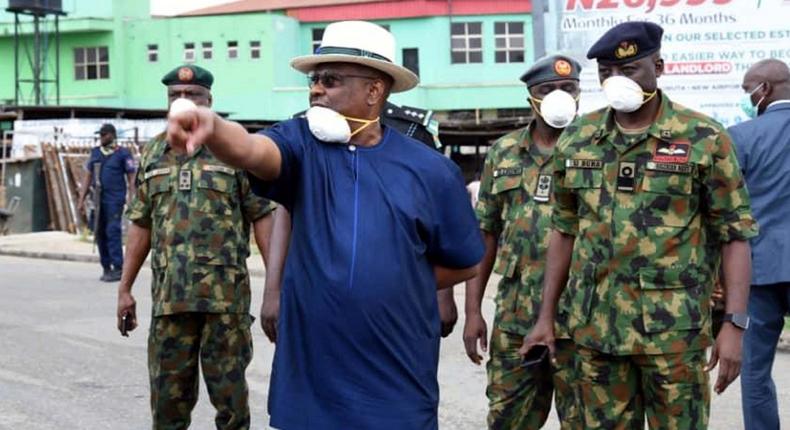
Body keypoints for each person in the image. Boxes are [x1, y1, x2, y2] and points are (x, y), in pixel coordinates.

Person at [166, 21, 484, 429]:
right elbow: (251, 149)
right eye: (314, 80)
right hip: (311, 388)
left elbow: (465, 261)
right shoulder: (300, 144)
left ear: (375, 91)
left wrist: (400, 282)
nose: (316, 89)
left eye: (330, 80)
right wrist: (212, 127)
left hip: (396, 387)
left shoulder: (432, 170)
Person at [521, 22, 758, 429]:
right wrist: (546, 317)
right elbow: (563, 230)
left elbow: (734, 235)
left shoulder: (702, 137)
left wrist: (734, 324)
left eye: (628, 70)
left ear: (659, 67)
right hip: (596, 334)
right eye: (607, 72)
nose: (617, 81)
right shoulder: (578, 138)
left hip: (674, 338)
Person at [115, 64, 276, 430]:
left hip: (225, 303)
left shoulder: (233, 151)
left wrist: (274, 289)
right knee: (167, 407)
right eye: (176, 96)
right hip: (170, 301)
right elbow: (141, 222)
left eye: (193, 96)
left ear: (209, 101)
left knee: (231, 407)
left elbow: (263, 216)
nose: (184, 102)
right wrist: (124, 288)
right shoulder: (154, 153)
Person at [261, 102, 459, 343]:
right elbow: (286, 211)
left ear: (374, 86)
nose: (319, 88)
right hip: (318, 294)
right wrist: (272, 292)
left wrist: (443, 295)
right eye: (316, 79)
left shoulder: (410, 130)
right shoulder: (303, 130)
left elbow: (437, 216)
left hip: (397, 300)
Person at [464, 55, 582, 429]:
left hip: (585, 317)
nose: (559, 97)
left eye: (568, 89)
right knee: (508, 419)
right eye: (548, 90)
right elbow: (485, 233)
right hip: (517, 316)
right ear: (531, 97)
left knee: (587, 421)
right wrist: (472, 312)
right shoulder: (504, 152)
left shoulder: (598, 150)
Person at [728, 58, 790, 430]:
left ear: (763, 90)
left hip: (758, 271)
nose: (747, 97)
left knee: (754, 372)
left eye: (747, 89)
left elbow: (728, 211)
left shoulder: (742, 136)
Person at [77, 123, 136, 282]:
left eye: (103, 135)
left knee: (112, 231)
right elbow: (88, 177)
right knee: (99, 232)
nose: (101, 138)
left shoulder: (123, 153)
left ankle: (118, 267)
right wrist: (81, 200)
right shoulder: (96, 153)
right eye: (100, 135)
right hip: (98, 200)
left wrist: (132, 198)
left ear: (111, 135)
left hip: (114, 199)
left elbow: (131, 178)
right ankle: (106, 267)